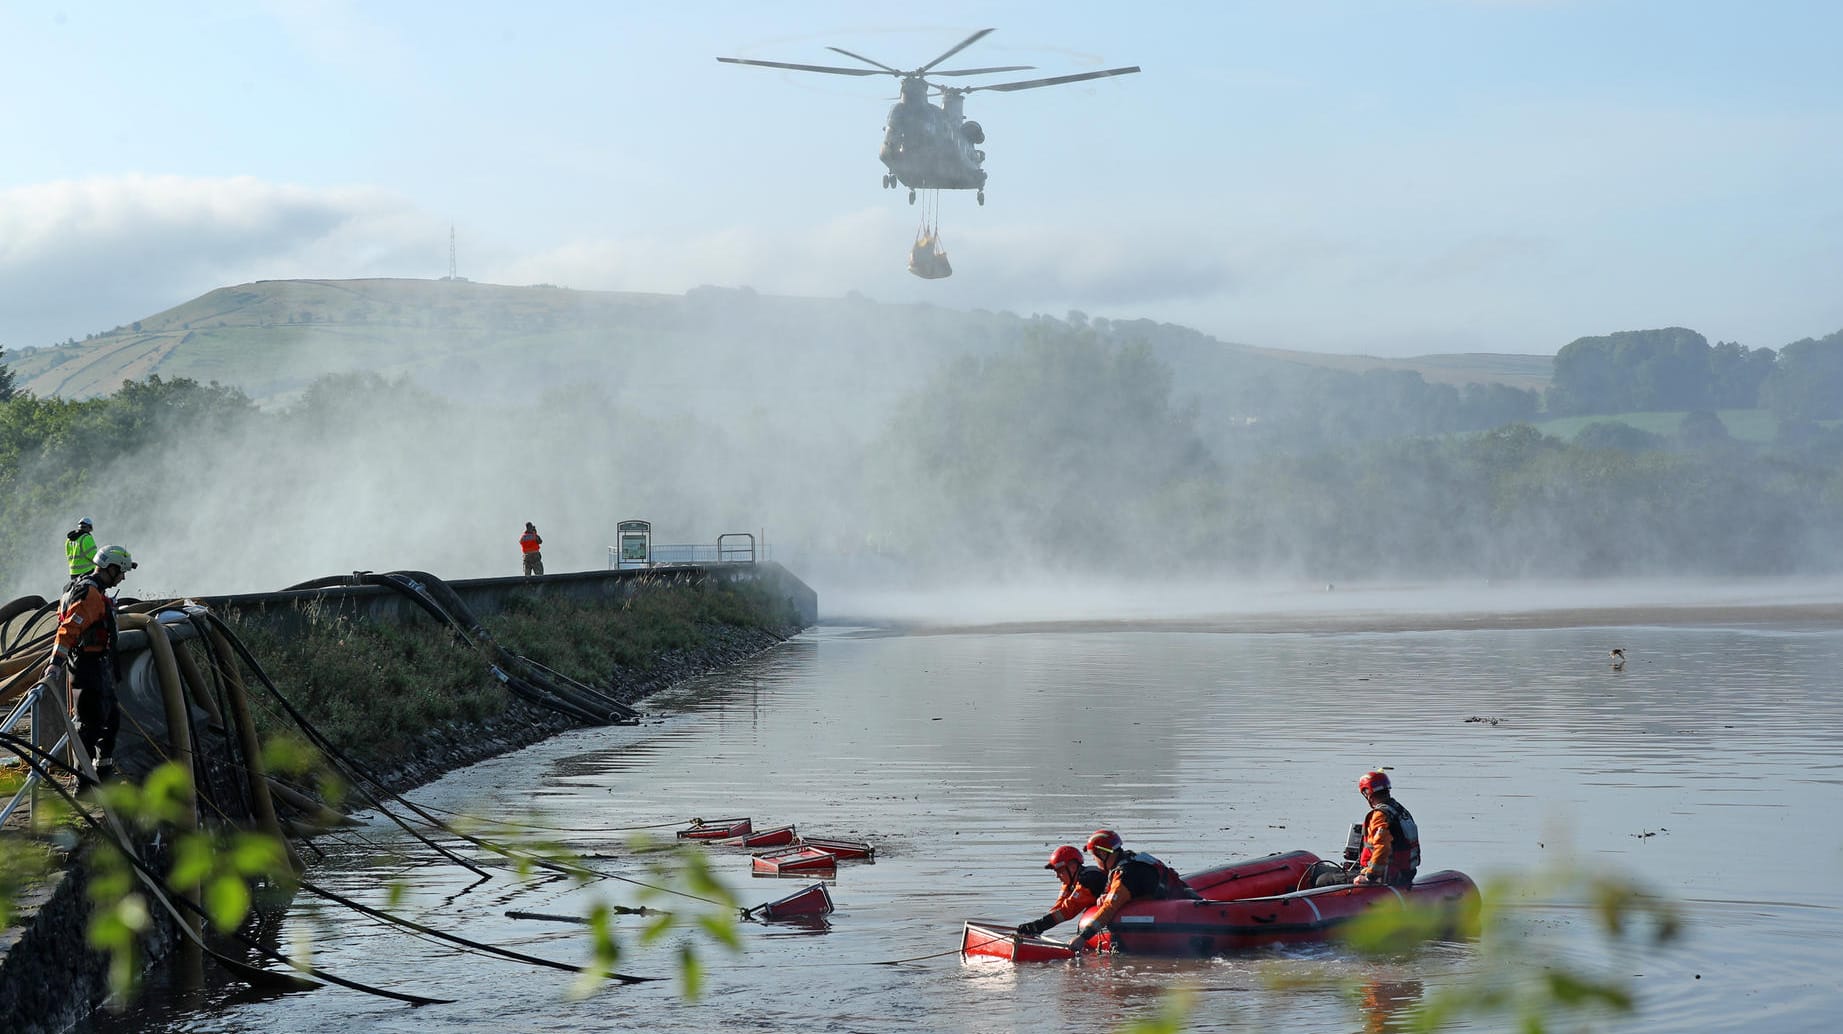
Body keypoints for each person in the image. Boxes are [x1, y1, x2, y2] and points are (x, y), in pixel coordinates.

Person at [43, 544, 136, 780]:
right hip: (86, 666)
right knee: (89, 726)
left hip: (97, 665)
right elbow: (68, 630)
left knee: (111, 719)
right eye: (121, 571)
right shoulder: (90, 595)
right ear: (110, 568)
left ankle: (103, 771)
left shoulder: (86, 589)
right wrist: (55, 662)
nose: (123, 577)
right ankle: (81, 781)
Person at [1066, 829, 1201, 951]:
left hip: (1184, 913)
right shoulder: (1131, 861)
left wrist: (1083, 938)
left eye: (1094, 856)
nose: (1096, 861)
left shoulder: (1125, 875)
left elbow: (1109, 908)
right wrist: (1105, 895)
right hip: (1183, 900)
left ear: (1102, 853)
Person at [1307, 770, 1420, 888]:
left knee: (1322, 880)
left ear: (1368, 793)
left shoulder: (1380, 816)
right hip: (1406, 874)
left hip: (1385, 877)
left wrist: (1369, 877)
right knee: (1323, 870)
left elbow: (1382, 848)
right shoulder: (1401, 811)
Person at [1015, 845, 1106, 938]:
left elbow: (1068, 910)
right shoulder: (1070, 883)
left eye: (1059, 871)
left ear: (1073, 867)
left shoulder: (1088, 880)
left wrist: (1038, 926)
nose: (1057, 876)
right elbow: (1058, 908)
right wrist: (1037, 925)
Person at [65, 516, 97, 582]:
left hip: (73, 572)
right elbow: (93, 556)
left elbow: (68, 555)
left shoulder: (69, 540)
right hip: (87, 571)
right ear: (88, 527)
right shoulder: (86, 538)